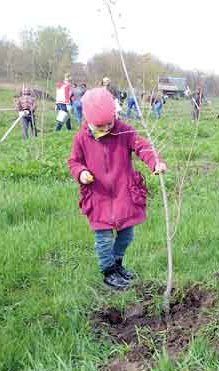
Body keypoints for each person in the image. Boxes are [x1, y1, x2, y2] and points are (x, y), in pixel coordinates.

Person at [67, 88, 167, 289]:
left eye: (109, 124)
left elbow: (142, 146)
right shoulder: (82, 138)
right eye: (100, 126)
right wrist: (81, 173)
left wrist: (155, 162)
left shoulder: (124, 131)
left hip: (123, 194)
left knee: (127, 234)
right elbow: (74, 162)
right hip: (98, 196)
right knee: (103, 238)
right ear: (88, 119)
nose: (105, 128)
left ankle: (117, 263)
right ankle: (108, 272)